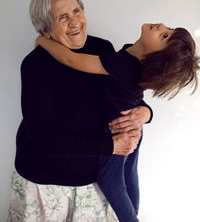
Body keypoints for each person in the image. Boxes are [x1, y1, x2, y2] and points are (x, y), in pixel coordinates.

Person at [8, 0, 153, 222]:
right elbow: (46, 140)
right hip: (44, 184)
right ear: (45, 29)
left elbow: (126, 94)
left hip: (93, 184)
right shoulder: (35, 66)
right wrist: (111, 147)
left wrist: (145, 112)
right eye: (62, 17)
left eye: (76, 11)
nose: (74, 22)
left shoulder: (102, 49)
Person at [36, 22, 200, 222]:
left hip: (118, 134)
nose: (161, 26)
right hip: (132, 130)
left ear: (153, 58)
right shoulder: (131, 58)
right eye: (169, 29)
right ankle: (134, 211)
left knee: (111, 181)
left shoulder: (123, 64)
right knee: (129, 174)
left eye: (164, 36)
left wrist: (41, 40)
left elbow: (70, 59)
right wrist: (146, 112)